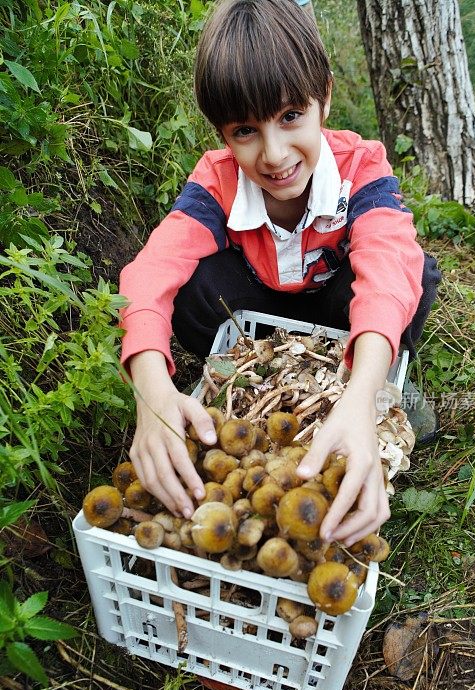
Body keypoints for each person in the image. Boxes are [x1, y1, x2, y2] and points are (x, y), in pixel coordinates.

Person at [119, 0, 441, 548]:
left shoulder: (361, 169)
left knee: (414, 276)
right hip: (255, 329)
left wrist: (361, 397)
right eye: (245, 130)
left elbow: (387, 268)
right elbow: (152, 271)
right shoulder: (216, 183)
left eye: (291, 117)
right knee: (196, 284)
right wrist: (150, 394)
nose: (273, 153)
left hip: (338, 321)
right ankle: (236, 382)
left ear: (325, 99)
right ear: (222, 131)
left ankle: (380, 393)